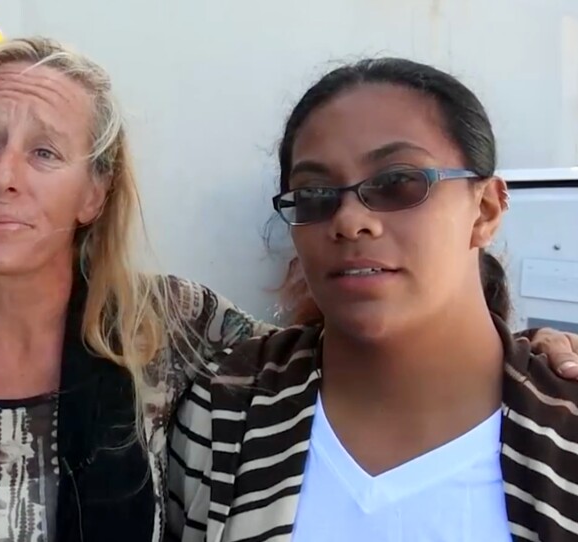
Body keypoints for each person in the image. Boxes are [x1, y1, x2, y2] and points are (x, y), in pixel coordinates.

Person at [0, 39, 578, 542]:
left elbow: (340, 343)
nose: (2, 175)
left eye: (44, 152)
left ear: (94, 193)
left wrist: (534, 358)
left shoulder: (174, 329)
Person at [168, 58, 578, 542]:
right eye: (315, 194)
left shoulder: (563, 425)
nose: (349, 220)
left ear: (485, 209)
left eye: (396, 184)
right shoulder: (225, 414)